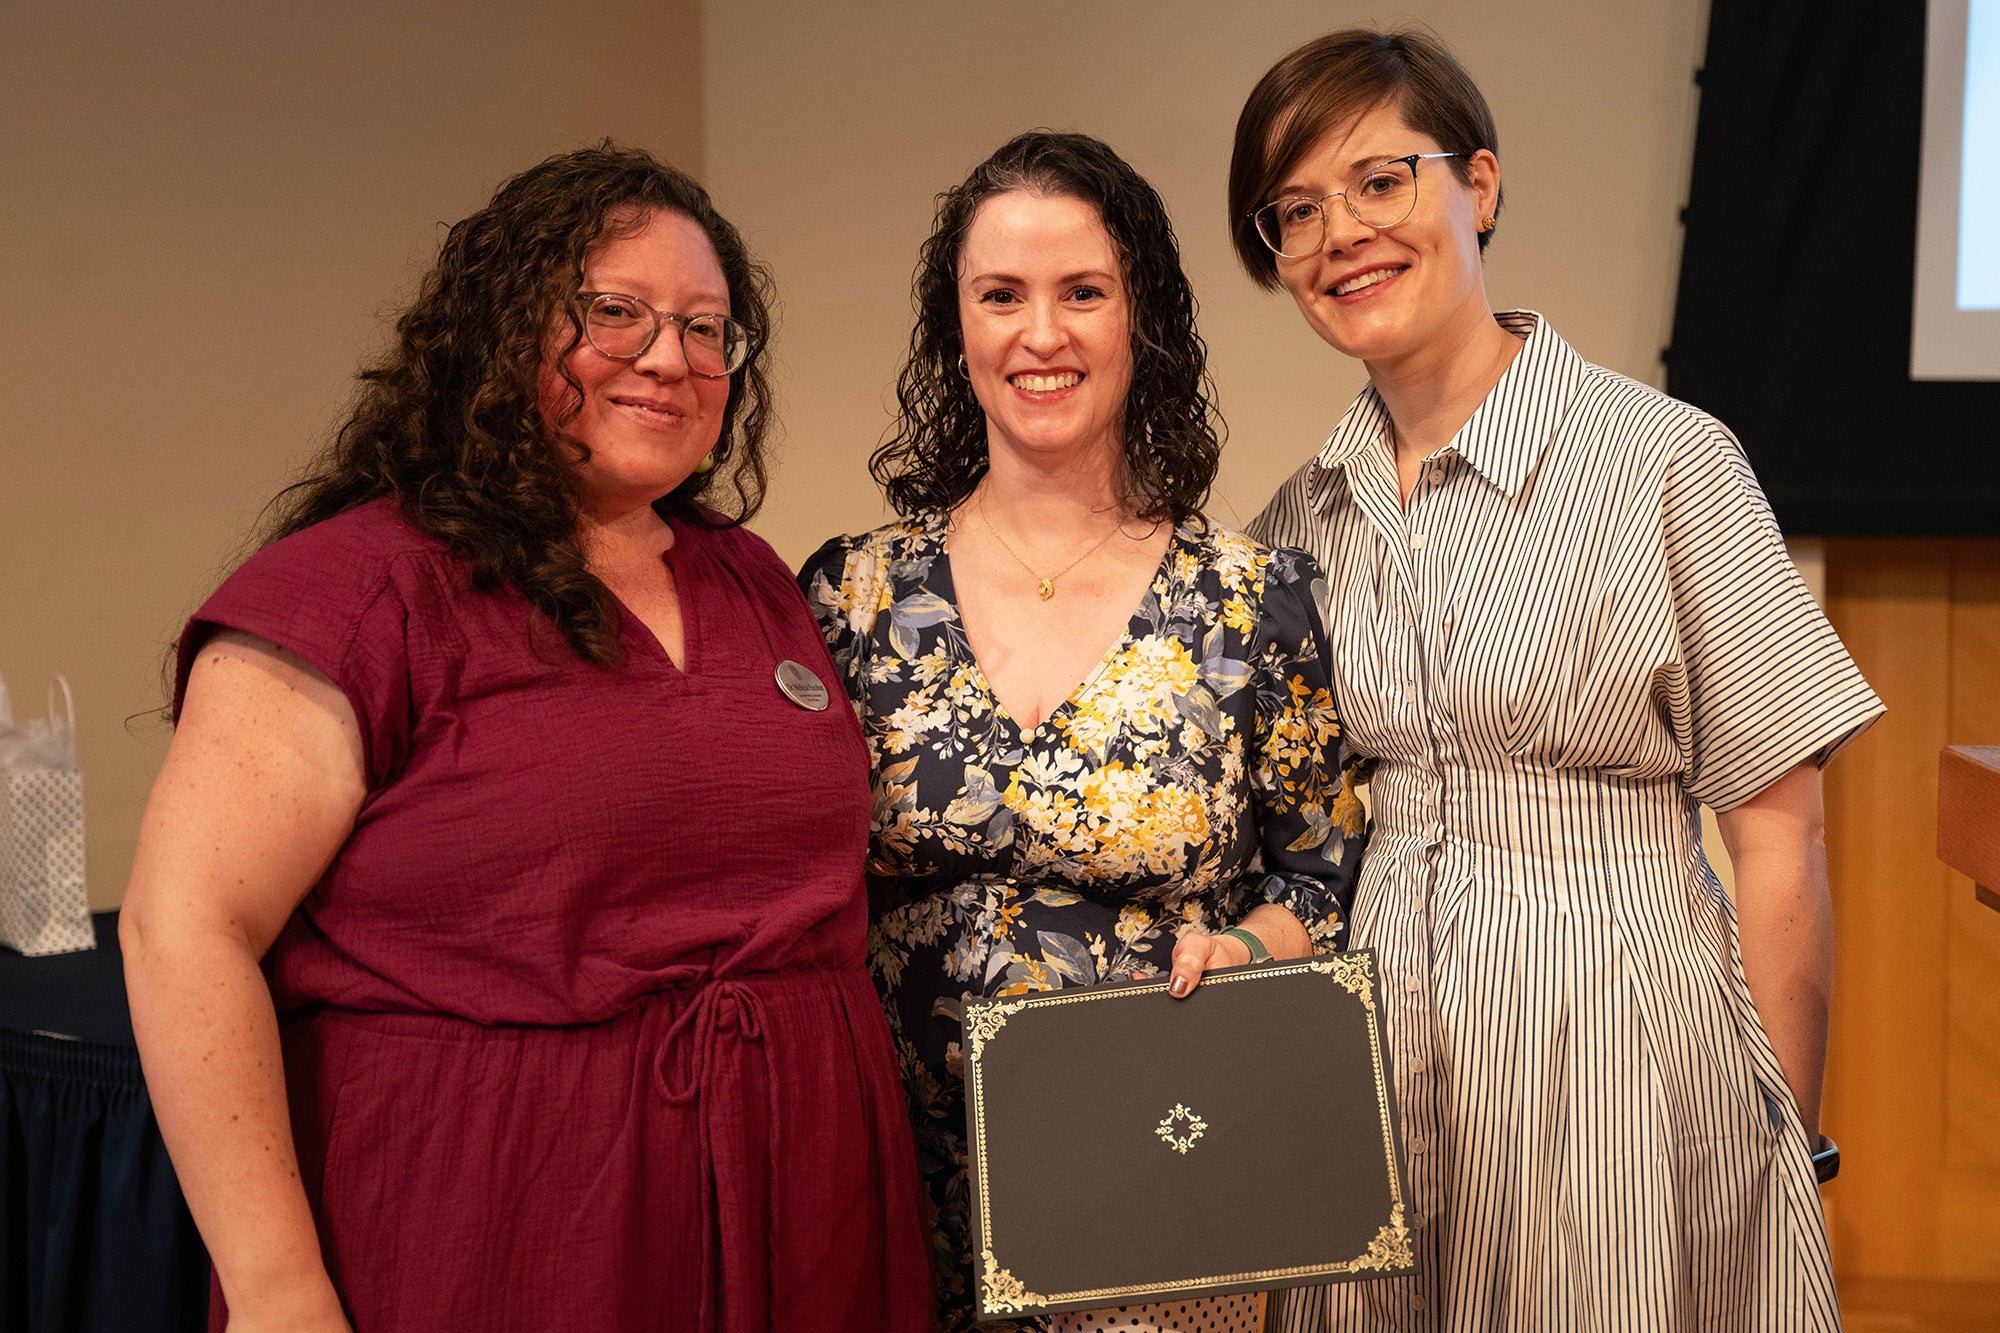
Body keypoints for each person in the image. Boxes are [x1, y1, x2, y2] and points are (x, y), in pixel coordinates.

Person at [120, 144, 932, 1332]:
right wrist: (274, 1286)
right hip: (501, 1219)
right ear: (503, 333)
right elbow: (183, 928)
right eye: (615, 313)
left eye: (708, 329)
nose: (671, 357)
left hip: (803, 1219)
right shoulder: (360, 593)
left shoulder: (752, 579)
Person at [1229, 29, 1884, 1332]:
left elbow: (1778, 835)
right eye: (1295, 211)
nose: (1341, 233)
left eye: (1380, 181)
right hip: (1375, 1088)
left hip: (1626, 1070)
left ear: (1477, 185)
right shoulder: (1294, 522)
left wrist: (1784, 1135)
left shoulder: (1667, 460)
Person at [799, 131, 1369, 1333]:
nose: (1039, 334)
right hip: (886, 1180)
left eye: (1082, 293)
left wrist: (1248, 950)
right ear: (954, 329)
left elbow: (1318, 878)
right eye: (999, 295)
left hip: (1153, 1190)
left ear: (1140, 319)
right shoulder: (848, 595)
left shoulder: (1250, 599)